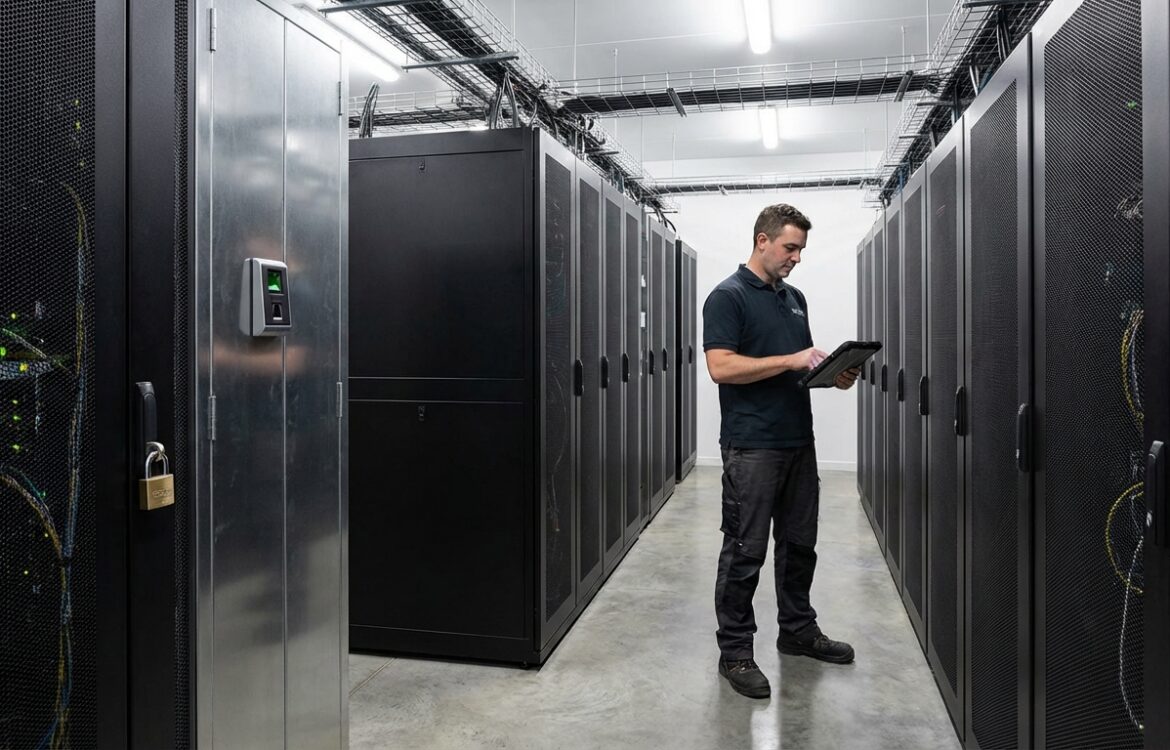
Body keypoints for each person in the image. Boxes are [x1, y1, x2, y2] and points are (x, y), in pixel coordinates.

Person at [702, 203, 861, 699]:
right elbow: (722, 368)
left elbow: (796, 370)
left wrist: (833, 376)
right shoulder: (726, 297)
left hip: (798, 443)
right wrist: (791, 358)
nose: (796, 258)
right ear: (762, 240)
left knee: (799, 547)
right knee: (745, 551)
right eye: (790, 247)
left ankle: (796, 631)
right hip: (752, 447)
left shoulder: (795, 299)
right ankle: (735, 651)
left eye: (801, 250)